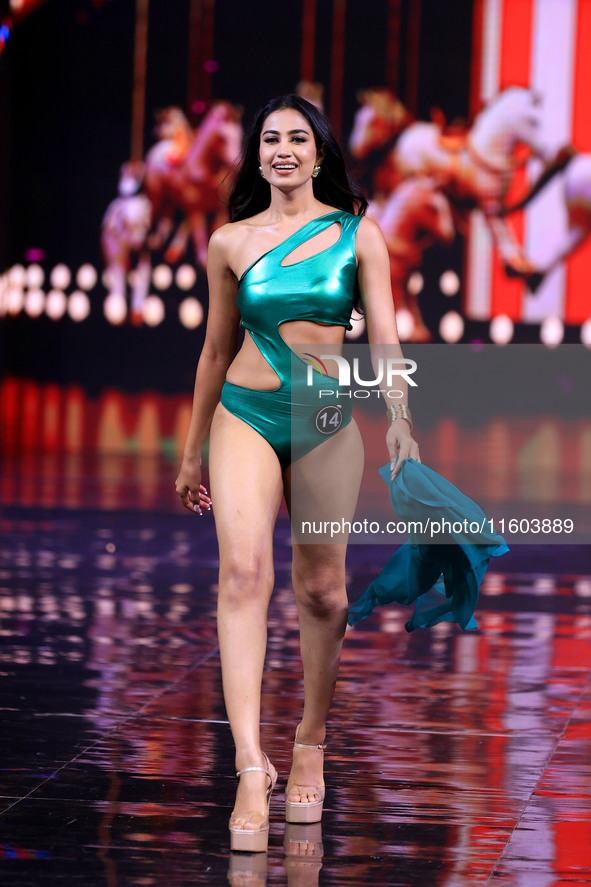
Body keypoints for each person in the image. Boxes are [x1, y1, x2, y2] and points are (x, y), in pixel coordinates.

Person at [174, 94, 420, 852]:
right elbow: (214, 351)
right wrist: (190, 450)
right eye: (270, 138)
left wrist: (400, 423)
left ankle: (309, 738)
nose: (283, 149)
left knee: (321, 587)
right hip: (242, 415)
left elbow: (383, 341)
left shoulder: (360, 236)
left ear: (319, 154)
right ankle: (251, 762)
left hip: (324, 418)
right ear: (256, 155)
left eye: (297, 138)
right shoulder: (228, 242)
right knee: (242, 573)